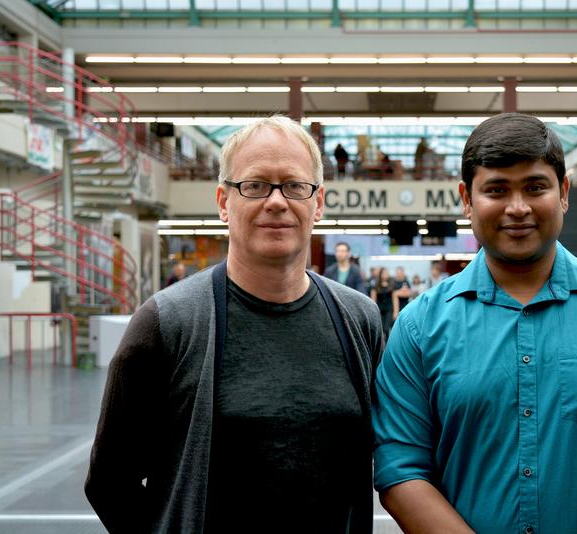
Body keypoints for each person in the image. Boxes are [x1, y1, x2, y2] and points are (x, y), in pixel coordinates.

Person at [373, 113, 577, 534]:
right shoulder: (419, 326)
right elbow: (401, 466)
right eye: (497, 190)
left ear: (563, 192)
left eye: (535, 187)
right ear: (466, 200)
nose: (518, 207)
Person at [86, 116, 383, 533]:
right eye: (255, 185)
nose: (276, 201)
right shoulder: (165, 323)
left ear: (318, 203)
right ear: (224, 202)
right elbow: (109, 482)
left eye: (295, 185)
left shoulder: (359, 319)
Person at [370, 267, 395, 340]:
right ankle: (381, 345)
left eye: (387, 273)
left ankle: (387, 344)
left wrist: (395, 312)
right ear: (380, 274)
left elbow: (394, 299)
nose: (385, 275)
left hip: (389, 309)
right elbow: (373, 299)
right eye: (383, 273)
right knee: (380, 329)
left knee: (386, 329)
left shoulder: (392, 284)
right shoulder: (376, 285)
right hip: (379, 309)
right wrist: (372, 311)